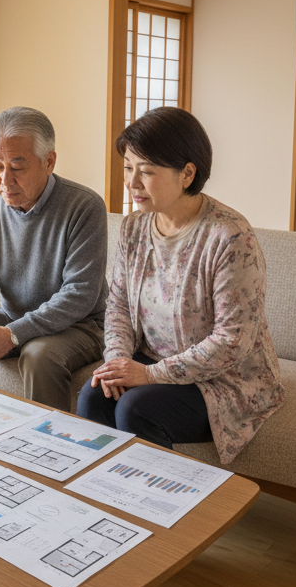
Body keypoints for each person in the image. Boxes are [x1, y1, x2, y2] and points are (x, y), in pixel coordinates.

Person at [77, 107, 285, 464]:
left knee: (135, 410)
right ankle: (103, 501)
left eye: (147, 171)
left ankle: (158, 511)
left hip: (224, 378)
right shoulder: (133, 228)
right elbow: (119, 306)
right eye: (128, 167)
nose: (132, 182)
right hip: (154, 358)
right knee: (96, 395)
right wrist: (117, 361)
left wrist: (149, 374)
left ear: (187, 173)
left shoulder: (229, 236)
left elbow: (233, 340)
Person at [0, 106, 108, 410]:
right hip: (15, 314)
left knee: (39, 354)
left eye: (17, 166)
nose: (5, 179)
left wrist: (13, 334)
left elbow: (80, 295)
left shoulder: (84, 206)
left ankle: (47, 449)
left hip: (80, 325)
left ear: (49, 162)